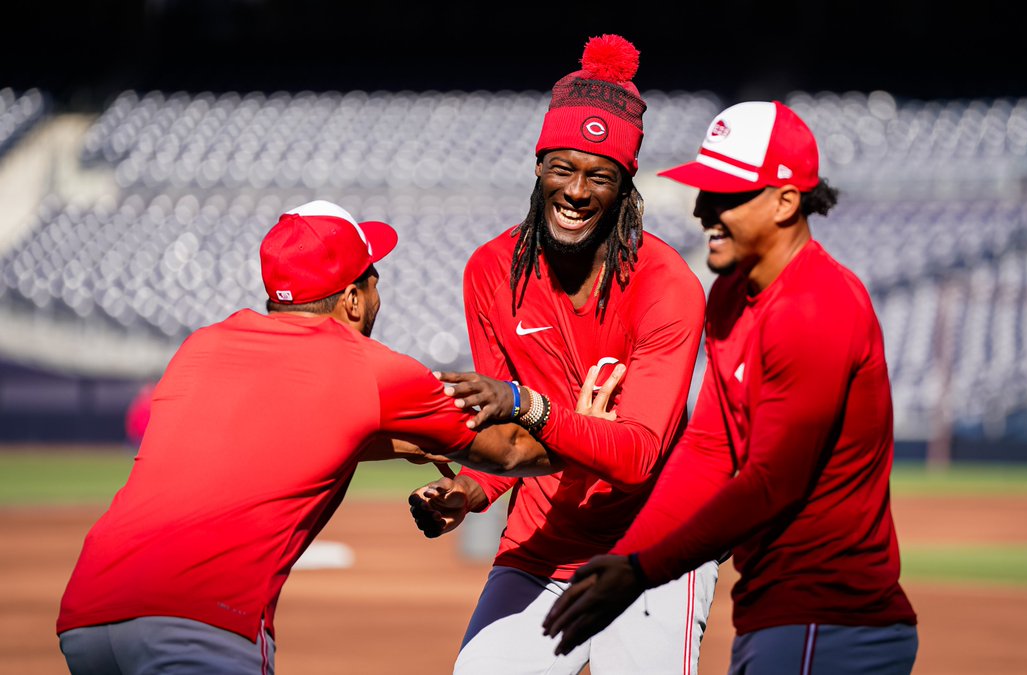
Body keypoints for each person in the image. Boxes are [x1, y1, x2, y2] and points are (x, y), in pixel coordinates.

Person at [56, 200, 551, 675]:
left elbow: (278, 435)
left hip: (90, 615)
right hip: (204, 621)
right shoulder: (368, 367)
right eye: (373, 282)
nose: (379, 297)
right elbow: (510, 450)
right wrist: (578, 425)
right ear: (353, 299)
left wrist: (408, 444)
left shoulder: (202, 345)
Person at [543, 101, 919, 674]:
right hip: (780, 616)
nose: (702, 210)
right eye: (704, 190)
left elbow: (772, 483)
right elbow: (708, 450)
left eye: (727, 195)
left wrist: (642, 571)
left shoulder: (816, 307)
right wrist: (622, 560)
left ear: (787, 202)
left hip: (832, 620)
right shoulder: (731, 296)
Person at [407, 34, 717, 674]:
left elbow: (634, 455)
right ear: (538, 166)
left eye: (599, 176)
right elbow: (507, 443)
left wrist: (530, 405)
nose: (576, 191)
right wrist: (471, 489)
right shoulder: (492, 272)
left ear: (626, 185)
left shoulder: (668, 288)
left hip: (653, 549)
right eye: (562, 168)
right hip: (542, 544)